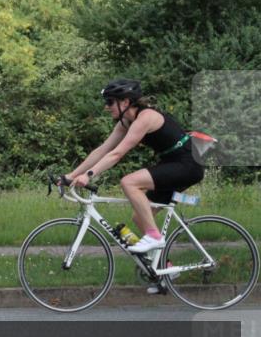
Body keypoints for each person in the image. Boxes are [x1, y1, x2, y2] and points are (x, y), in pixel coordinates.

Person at [64, 79, 205, 257]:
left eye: (110, 102)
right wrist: (71, 175)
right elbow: (103, 150)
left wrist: (89, 175)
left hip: (188, 163)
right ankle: (162, 268)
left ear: (125, 102)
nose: (106, 107)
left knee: (129, 182)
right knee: (140, 217)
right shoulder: (126, 122)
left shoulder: (145, 117)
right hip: (172, 162)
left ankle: (154, 237)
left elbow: (117, 154)